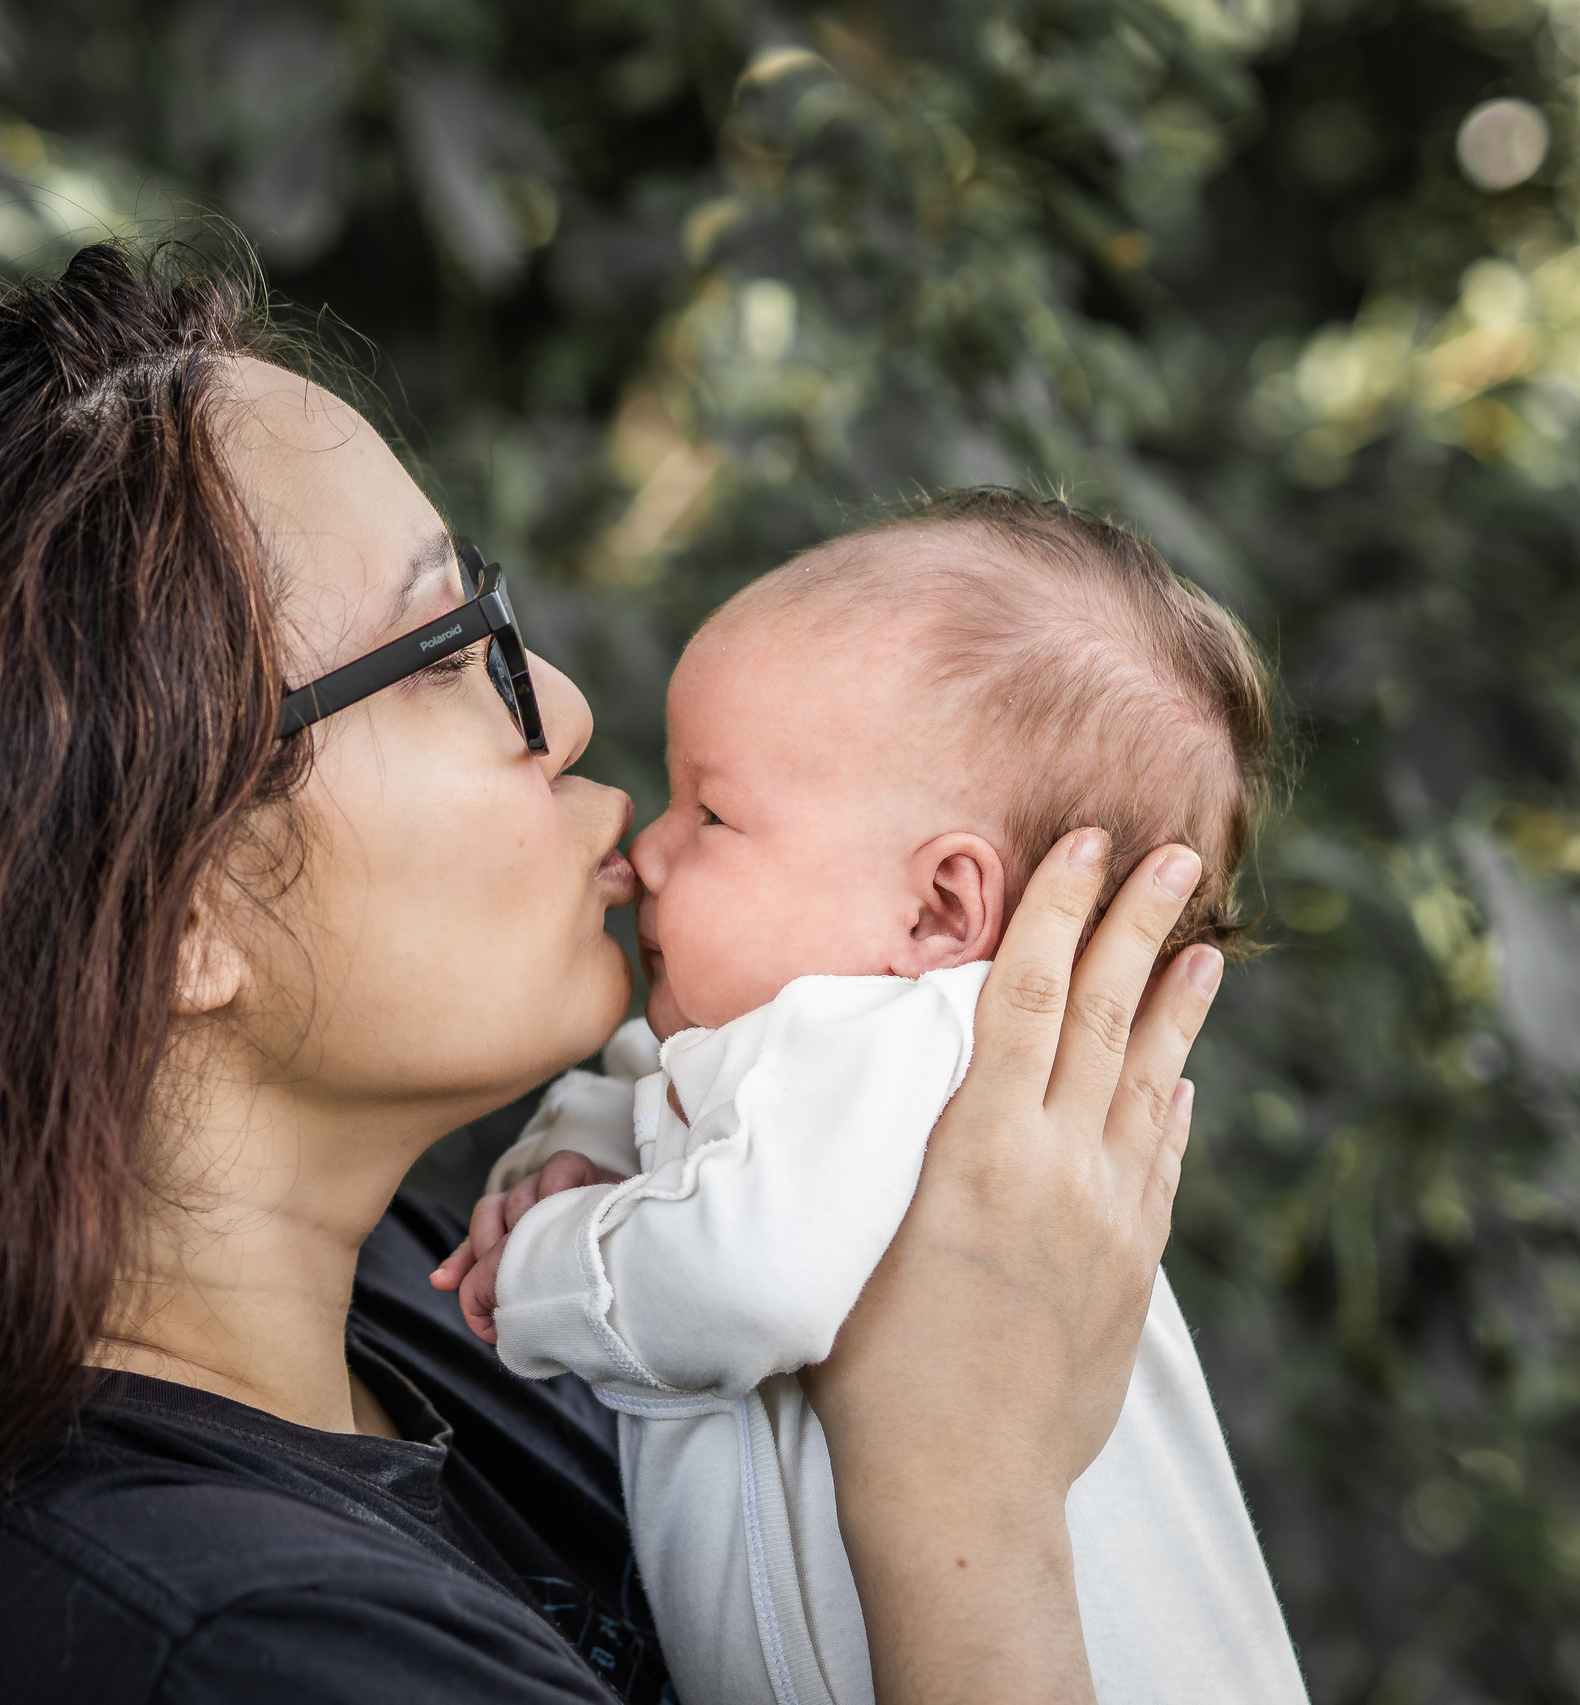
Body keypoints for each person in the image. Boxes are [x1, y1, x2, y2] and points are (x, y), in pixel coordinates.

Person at [0, 245, 1227, 1705]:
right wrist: (967, 1498)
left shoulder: (395, 1326)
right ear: (175, 912)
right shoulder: (231, 1654)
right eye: (455, 648)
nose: (576, 719)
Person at [438, 495, 1307, 1705]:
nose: (649, 851)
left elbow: (749, 1277)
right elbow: (652, 1094)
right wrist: (588, 1143)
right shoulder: (860, 1054)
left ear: (940, 911)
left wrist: (545, 1263)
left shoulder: (903, 1044)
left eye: (714, 812)